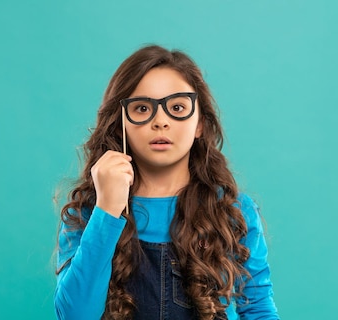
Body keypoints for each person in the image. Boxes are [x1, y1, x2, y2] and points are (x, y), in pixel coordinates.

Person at [54, 45, 279, 320]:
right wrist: (107, 210)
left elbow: (258, 310)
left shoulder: (233, 211)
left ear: (200, 124)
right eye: (141, 108)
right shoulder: (90, 212)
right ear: (120, 124)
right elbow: (75, 315)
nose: (160, 121)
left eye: (177, 107)